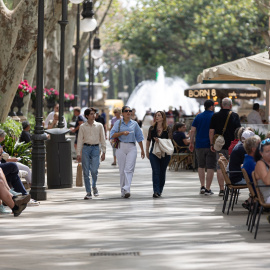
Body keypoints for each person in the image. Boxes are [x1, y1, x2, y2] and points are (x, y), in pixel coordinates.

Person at [110, 106, 145, 198]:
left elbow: (139, 137)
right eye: (126, 111)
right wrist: (122, 133)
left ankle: (127, 189)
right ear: (122, 113)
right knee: (122, 170)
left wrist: (142, 150)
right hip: (120, 147)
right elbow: (112, 135)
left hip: (132, 147)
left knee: (129, 169)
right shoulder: (118, 123)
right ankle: (123, 190)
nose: (128, 112)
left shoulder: (135, 124)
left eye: (130, 111)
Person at [209, 97, 241, 196]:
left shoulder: (215, 115)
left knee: (220, 167)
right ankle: (232, 188)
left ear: (222, 105)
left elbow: (211, 131)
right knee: (232, 167)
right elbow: (239, 131)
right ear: (230, 105)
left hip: (219, 145)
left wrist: (211, 144)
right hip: (232, 146)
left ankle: (222, 189)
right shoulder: (235, 115)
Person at [77, 107, 106, 200]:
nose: (94, 115)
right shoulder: (82, 127)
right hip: (85, 149)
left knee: (94, 170)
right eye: (92, 114)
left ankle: (94, 186)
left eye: (95, 114)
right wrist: (78, 153)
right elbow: (79, 140)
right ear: (87, 116)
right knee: (86, 172)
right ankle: (88, 192)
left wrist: (104, 151)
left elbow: (103, 139)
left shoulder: (99, 126)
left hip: (96, 149)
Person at [189, 100, 216, 195]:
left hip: (199, 145)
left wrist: (191, 142)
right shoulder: (214, 116)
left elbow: (192, 131)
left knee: (201, 166)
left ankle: (202, 186)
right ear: (212, 107)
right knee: (210, 166)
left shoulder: (198, 116)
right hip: (210, 145)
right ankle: (208, 188)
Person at [146, 111, 172, 198]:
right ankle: (156, 191)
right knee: (156, 171)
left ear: (163, 118)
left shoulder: (168, 129)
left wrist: (160, 141)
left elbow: (170, 141)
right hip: (154, 152)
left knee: (162, 172)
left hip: (165, 153)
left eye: (159, 115)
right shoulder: (152, 128)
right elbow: (148, 140)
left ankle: (160, 190)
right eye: (156, 115)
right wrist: (146, 151)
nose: (156, 117)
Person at [254, 138, 270, 204]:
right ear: (261, 153)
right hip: (268, 197)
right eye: (267, 151)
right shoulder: (260, 164)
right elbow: (267, 182)